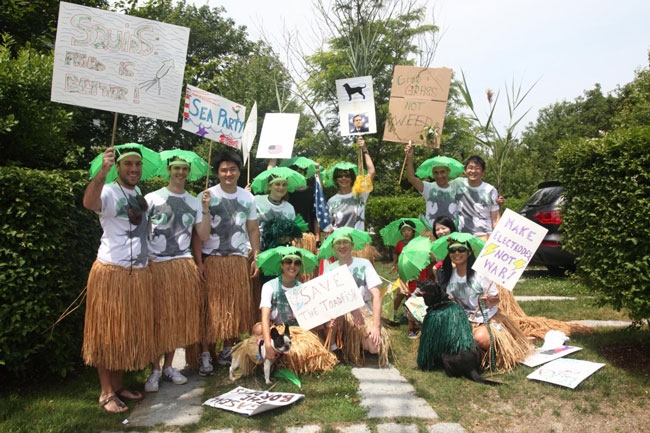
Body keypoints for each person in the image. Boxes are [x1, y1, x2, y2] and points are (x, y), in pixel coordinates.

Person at [81, 145, 154, 413]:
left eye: (137, 164)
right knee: (106, 332)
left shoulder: (138, 194)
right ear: (118, 166)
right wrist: (102, 171)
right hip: (112, 270)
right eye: (128, 164)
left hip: (137, 273)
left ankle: (119, 384)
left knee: (125, 330)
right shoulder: (109, 190)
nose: (134, 169)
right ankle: (106, 392)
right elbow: (89, 203)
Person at [143, 156, 211, 392]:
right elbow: (140, 231)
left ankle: (170, 366)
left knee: (173, 317)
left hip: (180, 264)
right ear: (168, 170)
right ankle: (155, 369)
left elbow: (202, 235)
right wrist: (145, 258)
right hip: (155, 264)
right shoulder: (152, 198)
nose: (180, 172)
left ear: (189, 172)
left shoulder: (193, 202)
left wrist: (204, 209)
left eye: (184, 169)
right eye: (176, 168)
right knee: (156, 318)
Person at [192, 150, 261, 376]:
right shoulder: (207, 196)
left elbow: (252, 228)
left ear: (239, 172)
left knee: (233, 307)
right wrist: (199, 262)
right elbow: (197, 234)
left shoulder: (247, 197)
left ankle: (228, 349)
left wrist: (257, 256)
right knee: (209, 309)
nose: (228, 174)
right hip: (213, 260)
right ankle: (205, 354)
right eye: (223, 170)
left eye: (232, 169)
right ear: (217, 173)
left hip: (237, 260)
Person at [437, 236, 531, 371]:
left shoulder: (480, 274)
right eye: (453, 250)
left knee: (480, 338)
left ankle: (489, 355)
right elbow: (454, 300)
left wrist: (488, 300)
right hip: (465, 318)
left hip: (487, 317)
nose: (456, 253)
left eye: (461, 249)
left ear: (469, 252)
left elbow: (496, 299)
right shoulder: (450, 275)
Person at [321, 229, 390, 366]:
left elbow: (376, 295)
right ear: (333, 247)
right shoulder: (330, 269)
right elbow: (327, 299)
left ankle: (356, 343)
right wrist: (351, 308)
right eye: (338, 243)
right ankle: (334, 348)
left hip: (364, 310)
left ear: (352, 245)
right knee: (334, 318)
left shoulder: (364, 264)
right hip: (340, 311)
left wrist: (376, 325)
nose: (342, 246)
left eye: (345, 242)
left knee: (374, 347)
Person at [390, 220, 430, 338]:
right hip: (408, 274)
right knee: (409, 300)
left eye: (409, 230)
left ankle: (422, 324)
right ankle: (410, 327)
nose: (406, 233)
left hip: (423, 274)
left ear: (413, 231)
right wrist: (395, 264)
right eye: (404, 231)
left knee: (424, 301)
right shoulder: (400, 245)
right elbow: (397, 255)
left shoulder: (420, 243)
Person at [327, 136, 375, 231]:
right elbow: (329, 226)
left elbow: (371, 172)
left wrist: (365, 149)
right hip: (339, 243)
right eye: (340, 176)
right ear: (336, 179)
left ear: (352, 178)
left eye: (347, 175)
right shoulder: (331, 201)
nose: (343, 178)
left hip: (356, 242)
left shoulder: (360, 195)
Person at [405, 143, 458, 227]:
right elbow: (411, 178)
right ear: (432, 174)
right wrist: (409, 159)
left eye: (442, 172)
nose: (439, 176)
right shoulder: (428, 188)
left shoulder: (456, 187)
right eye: (436, 173)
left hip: (452, 233)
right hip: (433, 234)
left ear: (448, 172)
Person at [451, 155, 501, 241]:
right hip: (462, 236)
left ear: (483, 171)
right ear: (465, 170)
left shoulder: (490, 190)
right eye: (470, 168)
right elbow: (442, 188)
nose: (473, 171)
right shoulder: (457, 183)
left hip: (484, 236)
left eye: (477, 168)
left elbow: (496, 218)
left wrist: (498, 238)